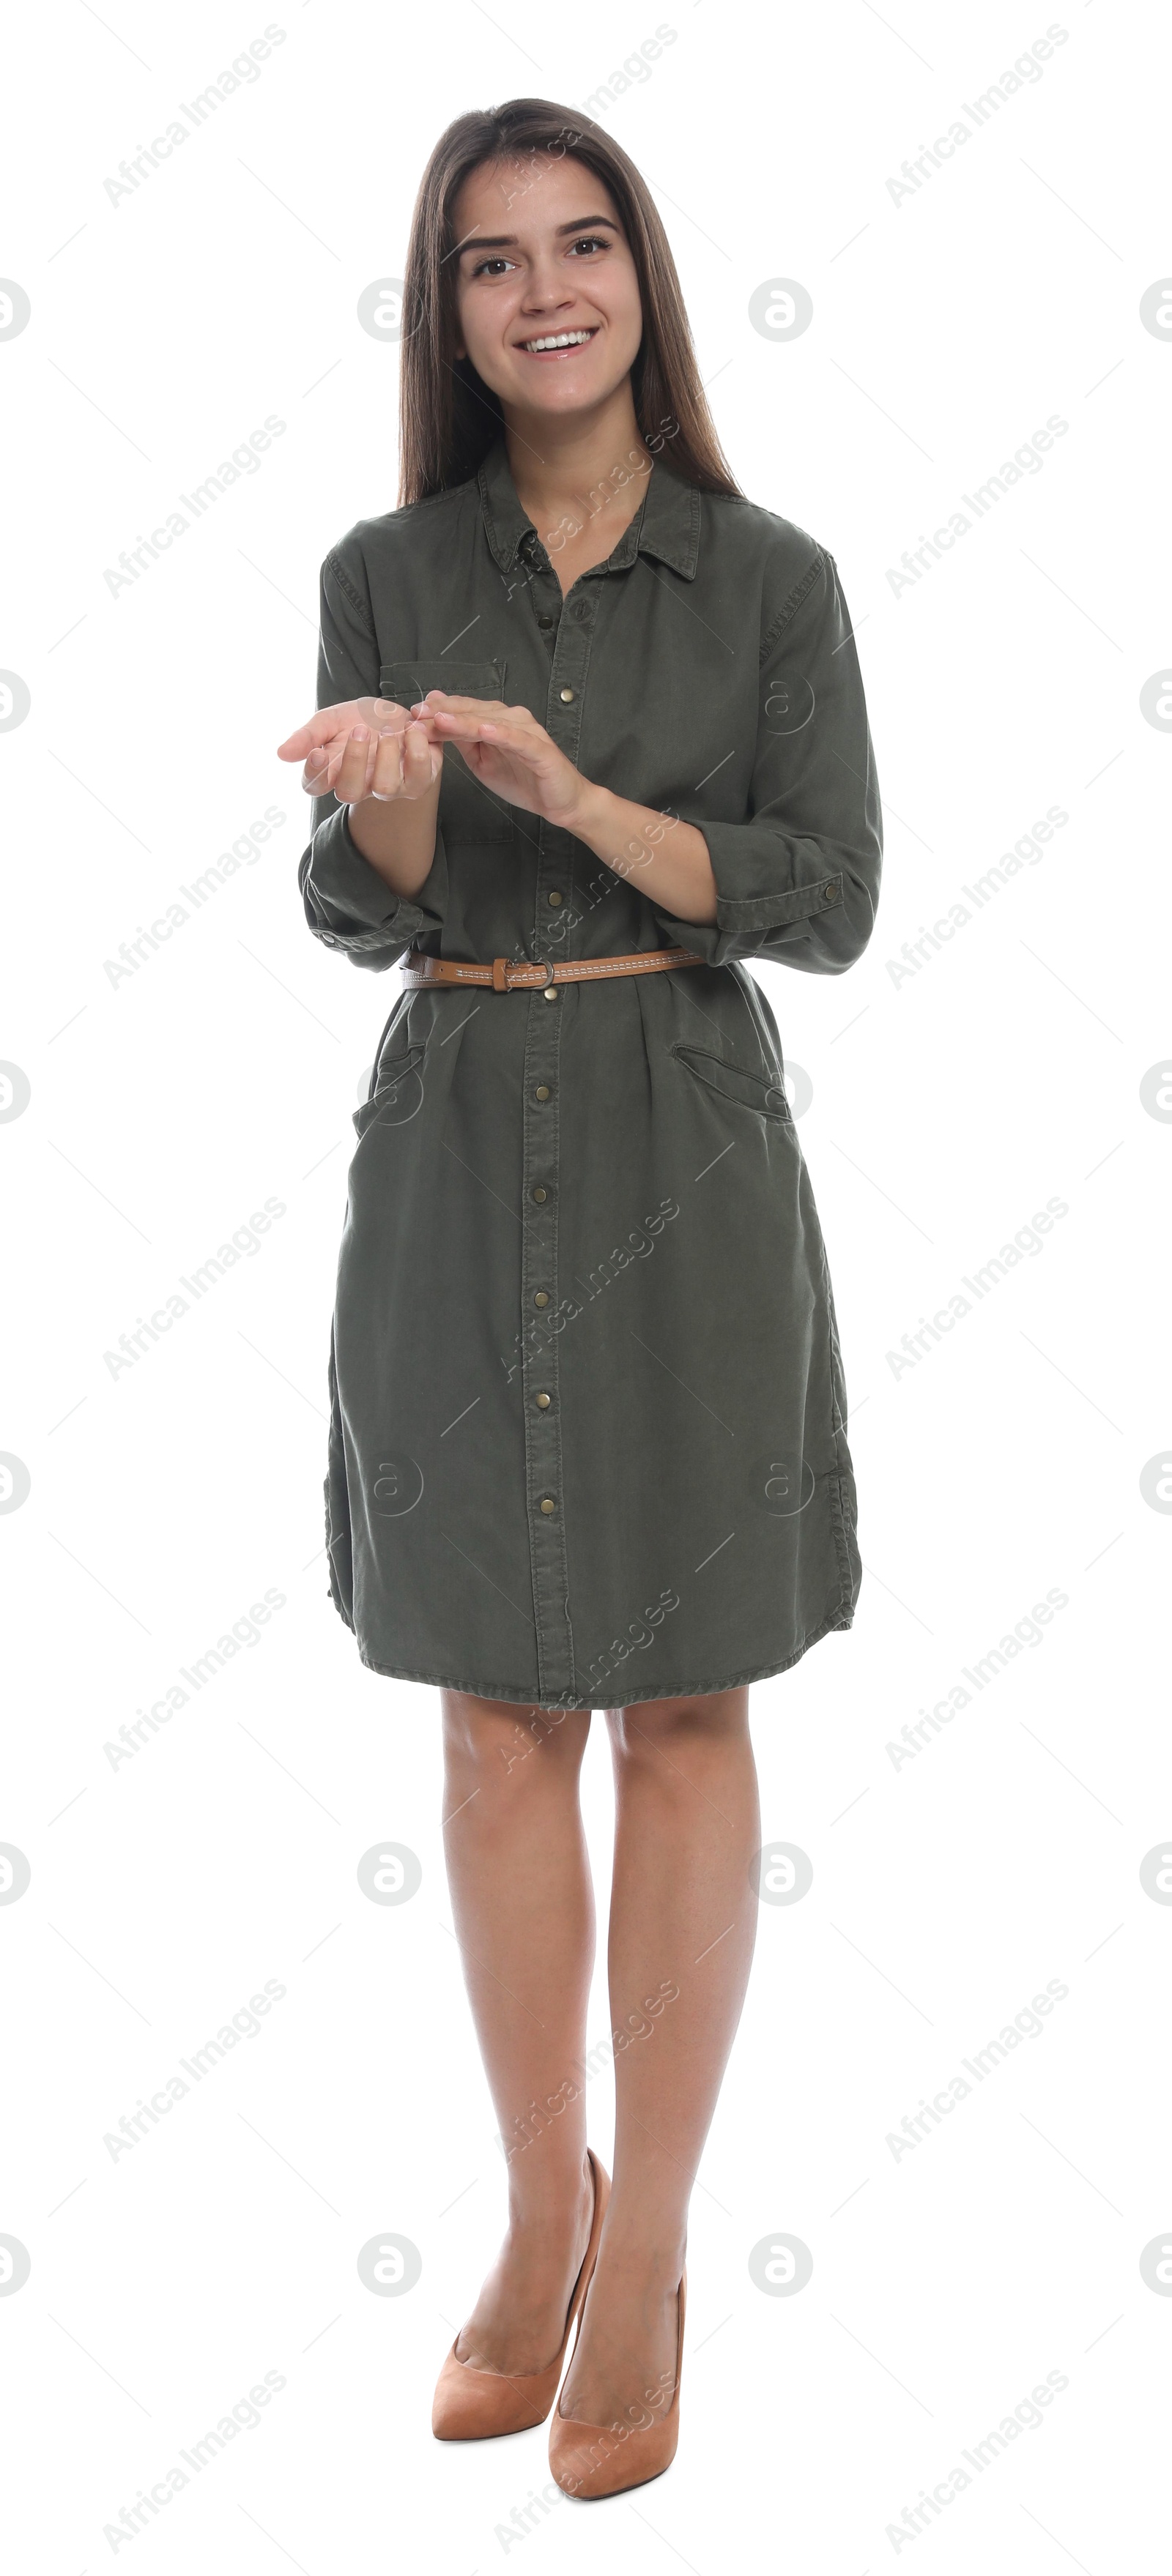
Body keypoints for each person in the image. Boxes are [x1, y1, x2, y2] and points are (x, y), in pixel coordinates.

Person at [278, 97, 882, 2499]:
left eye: (584, 244)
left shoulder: (774, 579)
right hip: (457, 1150)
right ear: (448, 311)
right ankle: (546, 2217)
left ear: (644, 272)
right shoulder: (381, 563)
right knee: (490, 1719)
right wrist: (395, 796)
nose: (545, 291)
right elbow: (366, 914)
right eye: (492, 261)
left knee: (691, 1705)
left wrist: (576, 793)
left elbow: (826, 891)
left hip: (688, 1139)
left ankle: (657, 2261)